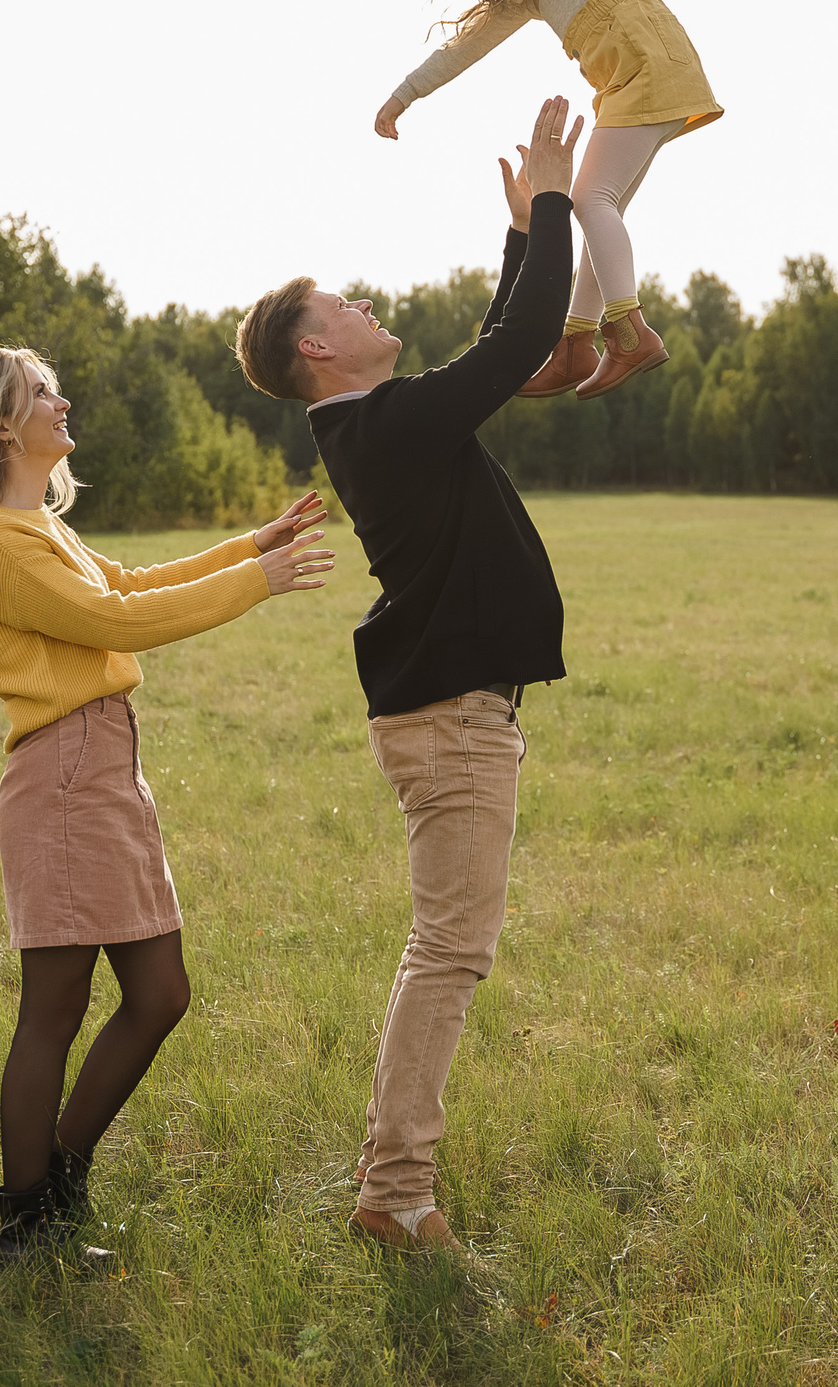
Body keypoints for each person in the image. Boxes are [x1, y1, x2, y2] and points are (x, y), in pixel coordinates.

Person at [232, 96, 582, 1252]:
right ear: (314, 349)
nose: (366, 303)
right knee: (448, 951)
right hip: (451, 725)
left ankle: (396, 1184)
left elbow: (493, 353)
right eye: (345, 303)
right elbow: (517, 348)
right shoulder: (379, 430)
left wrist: (528, 240)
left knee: (446, 947)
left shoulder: (380, 424)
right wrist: (547, 201)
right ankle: (394, 1192)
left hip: (450, 717)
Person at [0, 346, 334, 1257]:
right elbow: (115, 623)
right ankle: (26, 1221)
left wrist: (250, 545)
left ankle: (61, 1179)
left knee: (160, 991)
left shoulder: (38, 529)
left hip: (103, 764)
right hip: (63, 776)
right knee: (54, 1006)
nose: (62, 402)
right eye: (40, 393)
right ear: (1, 427)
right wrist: (261, 582)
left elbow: (128, 585)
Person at [374, 0, 722, 402]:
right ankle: (576, 346)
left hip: (645, 56)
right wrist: (404, 95)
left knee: (588, 201)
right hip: (629, 73)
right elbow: (463, 48)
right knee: (599, 202)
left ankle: (628, 334)